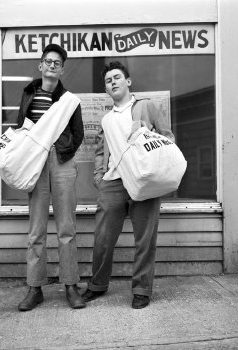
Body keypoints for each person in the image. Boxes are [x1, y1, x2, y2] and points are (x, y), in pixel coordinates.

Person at [82, 61, 175, 309]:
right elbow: (101, 152)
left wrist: (147, 134)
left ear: (128, 81)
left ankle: (142, 289)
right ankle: (97, 285)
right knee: (103, 238)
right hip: (113, 182)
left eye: (117, 77)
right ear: (106, 89)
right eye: (108, 80)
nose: (112, 82)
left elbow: (168, 139)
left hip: (144, 180)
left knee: (145, 238)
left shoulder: (148, 107)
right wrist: (99, 177)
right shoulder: (106, 119)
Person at [16, 44, 85, 311]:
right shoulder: (28, 95)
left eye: (57, 62)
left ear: (62, 68)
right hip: (35, 163)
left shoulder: (70, 101)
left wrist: (62, 152)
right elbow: (21, 127)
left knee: (66, 228)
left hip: (61, 161)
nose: (52, 65)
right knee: (36, 230)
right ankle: (35, 288)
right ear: (40, 65)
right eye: (48, 61)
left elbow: (77, 134)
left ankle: (70, 285)